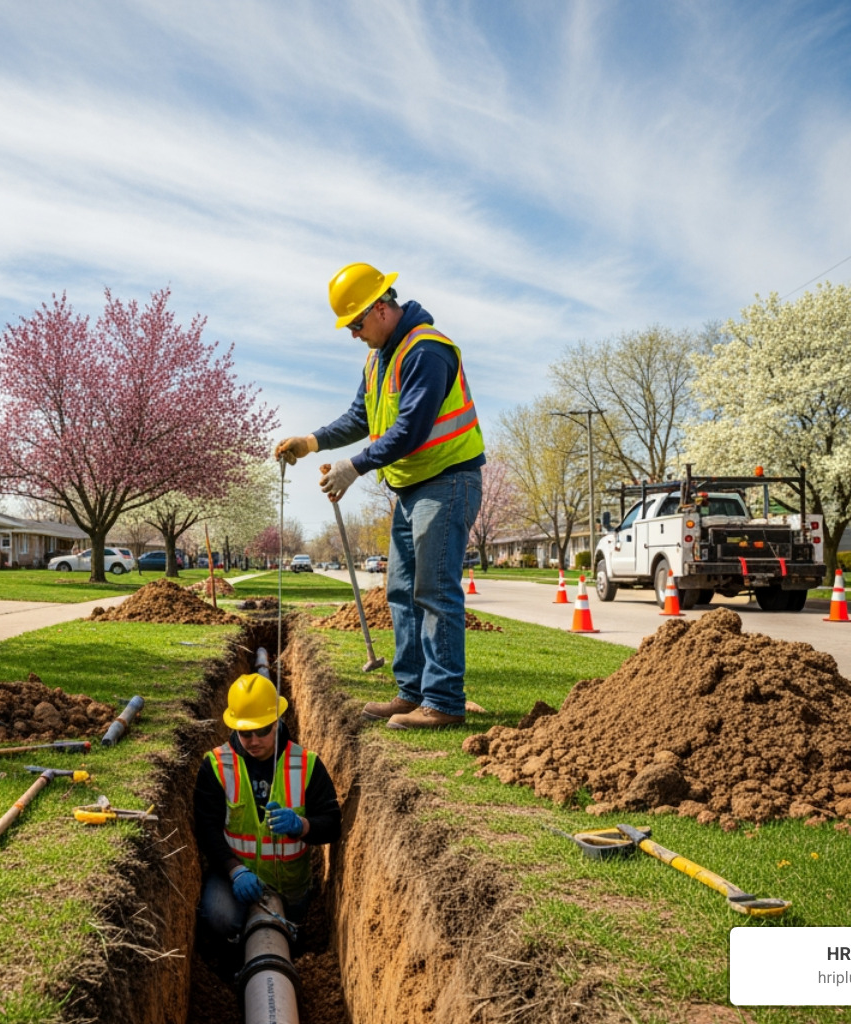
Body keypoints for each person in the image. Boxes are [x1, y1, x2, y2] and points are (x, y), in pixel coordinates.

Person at [275, 263, 484, 729]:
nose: (353, 334)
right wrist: (310, 442)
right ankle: (412, 694)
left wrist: (353, 467)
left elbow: (410, 429)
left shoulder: (427, 350)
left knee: (434, 591)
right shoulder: (379, 357)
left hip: (448, 481)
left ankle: (444, 701)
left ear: (381, 308)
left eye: (355, 323)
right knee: (401, 591)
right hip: (413, 486)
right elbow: (359, 417)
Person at [193, 673, 340, 975]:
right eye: (245, 734)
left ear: (277, 722)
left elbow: (333, 824)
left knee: (294, 932)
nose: (254, 741)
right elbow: (206, 828)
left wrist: (302, 825)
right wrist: (235, 870)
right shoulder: (217, 765)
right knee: (218, 917)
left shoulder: (306, 764)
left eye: (262, 731)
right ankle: (230, 962)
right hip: (235, 879)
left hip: (289, 886)